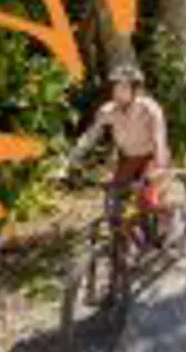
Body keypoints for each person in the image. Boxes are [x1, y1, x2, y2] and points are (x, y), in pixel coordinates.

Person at [55, 63, 172, 247]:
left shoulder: (150, 109)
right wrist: (68, 162)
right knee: (113, 203)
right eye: (116, 87)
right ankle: (123, 248)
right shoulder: (107, 111)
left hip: (152, 157)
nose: (118, 92)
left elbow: (159, 139)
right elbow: (90, 136)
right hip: (128, 159)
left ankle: (166, 216)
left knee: (147, 201)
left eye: (124, 88)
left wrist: (159, 168)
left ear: (135, 90)